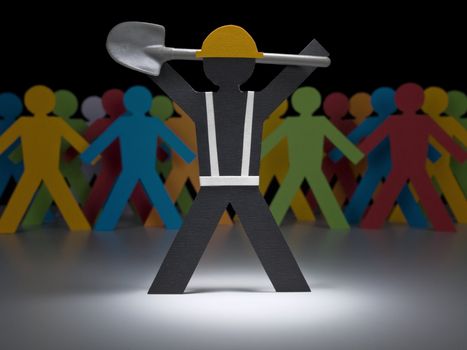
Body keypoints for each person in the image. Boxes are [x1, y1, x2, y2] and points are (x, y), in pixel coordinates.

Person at [149, 25, 329, 293]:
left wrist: (156, 65)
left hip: (230, 184)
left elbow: (171, 84)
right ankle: (289, 284)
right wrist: (313, 54)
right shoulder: (254, 102)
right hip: (229, 184)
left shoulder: (204, 102)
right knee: (262, 243)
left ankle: (168, 285)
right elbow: (286, 82)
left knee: (195, 244)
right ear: (251, 66)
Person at [81, 86, 194, 231]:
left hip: (129, 168)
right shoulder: (153, 123)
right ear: (148, 104)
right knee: (159, 194)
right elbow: (173, 141)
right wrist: (187, 155)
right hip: (146, 168)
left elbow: (103, 141)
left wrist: (88, 155)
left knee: (119, 195)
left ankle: (104, 225)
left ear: (127, 104)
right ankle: (173, 222)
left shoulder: (122, 123)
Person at [359, 83, 467, 232]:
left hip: (400, 165)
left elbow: (372, 141)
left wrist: (357, 153)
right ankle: (443, 225)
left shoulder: (393, 121)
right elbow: (444, 140)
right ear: (421, 101)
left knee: (390, 192)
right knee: (426, 192)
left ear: (397, 102)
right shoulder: (425, 121)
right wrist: (459, 155)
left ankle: (372, 222)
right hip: (416, 165)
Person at [329, 86, 439, 227]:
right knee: (399, 191)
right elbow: (417, 140)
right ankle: (416, 220)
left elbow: (355, 139)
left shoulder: (375, 122)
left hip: (378, 164)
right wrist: (433, 155)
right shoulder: (397, 122)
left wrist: (345, 154)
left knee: (367, 189)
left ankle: (354, 217)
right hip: (392, 164)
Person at [263, 86, 363, 229]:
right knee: (321, 192)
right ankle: (338, 222)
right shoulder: (320, 122)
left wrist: (256, 155)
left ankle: (270, 223)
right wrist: (353, 153)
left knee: (286, 192)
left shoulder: (291, 122)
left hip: (298, 164)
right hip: (311, 164)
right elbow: (338, 140)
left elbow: (272, 140)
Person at [0, 85, 91, 234]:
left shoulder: (24, 123)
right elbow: (77, 141)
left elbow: (5, 142)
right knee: (61, 195)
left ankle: (7, 225)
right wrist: (91, 155)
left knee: (22, 195)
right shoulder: (56, 123)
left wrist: (91, 155)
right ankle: (78, 224)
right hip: (50, 168)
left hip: (34, 168)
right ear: (51, 105)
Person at [423, 86, 467, 223]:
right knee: (441, 187)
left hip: (434, 163)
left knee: (424, 189)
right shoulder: (431, 122)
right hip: (436, 163)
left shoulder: (430, 122)